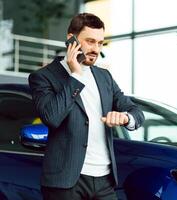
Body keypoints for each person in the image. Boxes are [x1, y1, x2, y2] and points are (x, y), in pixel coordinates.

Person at [29, 13, 144, 200]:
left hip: (104, 181)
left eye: (100, 43)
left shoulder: (104, 77)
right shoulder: (43, 77)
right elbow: (52, 117)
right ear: (71, 39)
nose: (96, 49)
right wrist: (75, 75)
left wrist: (126, 118)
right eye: (90, 41)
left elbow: (136, 112)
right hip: (65, 184)